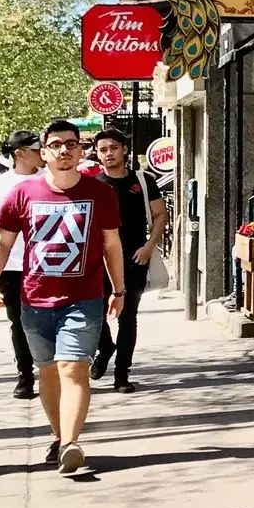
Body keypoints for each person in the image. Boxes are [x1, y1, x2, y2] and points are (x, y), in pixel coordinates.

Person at [0, 120, 124, 475]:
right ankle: (60, 438)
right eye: (56, 145)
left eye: (72, 144)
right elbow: (3, 243)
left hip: (84, 297)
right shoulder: (23, 193)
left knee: (73, 368)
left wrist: (118, 290)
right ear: (43, 153)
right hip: (35, 298)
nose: (65, 150)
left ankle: (73, 443)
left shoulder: (101, 193)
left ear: (81, 151)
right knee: (48, 372)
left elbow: (111, 244)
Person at [88, 128, 166, 392]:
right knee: (95, 313)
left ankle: (122, 374)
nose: (108, 154)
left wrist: (149, 246)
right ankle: (105, 347)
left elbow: (160, 215)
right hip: (99, 260)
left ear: (124, 149)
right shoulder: (94, 185)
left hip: (134, 257)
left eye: (113, 148)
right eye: (103, 150)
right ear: (98, 155)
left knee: (128, 316)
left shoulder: (143, 181)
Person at [0, 130, 44, 398]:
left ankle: (56, 371)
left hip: (48, 265)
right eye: (36, 148)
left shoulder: (51, 180)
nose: (42, 152)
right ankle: (25, 377)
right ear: (19, 153)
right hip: (13, 266)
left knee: (46, 322)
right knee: (19, 322)